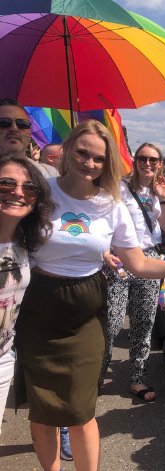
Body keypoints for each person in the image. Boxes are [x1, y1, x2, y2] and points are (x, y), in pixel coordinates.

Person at [13, 120, 165, 471]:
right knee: (43, 410)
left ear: (108, 162)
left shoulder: (112, 206)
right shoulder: (39, 192)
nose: (89, 163)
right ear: (67, 152)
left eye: (98, 158)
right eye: (82, 153)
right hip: (38, 308)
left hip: (86, 308)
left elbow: (139, 264)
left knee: (81, 410)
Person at [99, 143, 165, 403]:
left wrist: (164, 197)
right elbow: (103, 221)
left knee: (144, 323)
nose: (148, 164)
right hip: (119, 260)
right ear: (135, 160)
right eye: (143, 158)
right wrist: (103, 251)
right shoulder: (118, 187)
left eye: (154, 160)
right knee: (111, 323)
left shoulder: (160, 190)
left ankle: (137, 379)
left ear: (160, 163)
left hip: (149, 257)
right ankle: (96, 378)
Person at [0, 154, 53, 436]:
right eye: (6, 183)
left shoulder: (25, 244)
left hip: (3, 358)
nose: (18, 192)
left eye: (29, 188)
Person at [0, 98, 58, 178]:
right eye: (4, 123)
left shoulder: (50, 174)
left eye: (22, 124)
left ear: (30, 133)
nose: (14, 128)